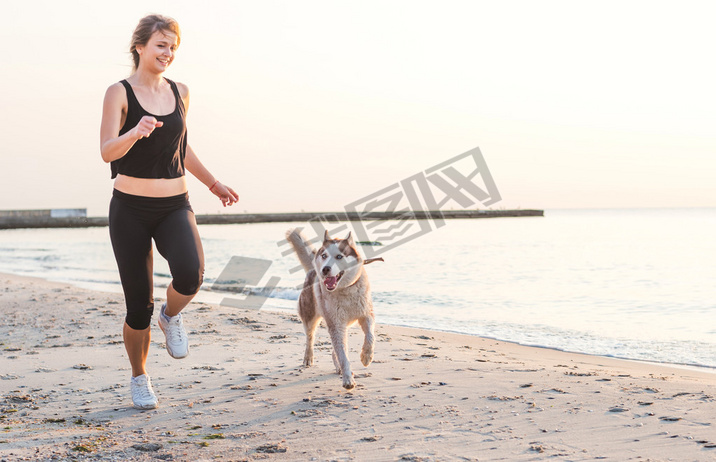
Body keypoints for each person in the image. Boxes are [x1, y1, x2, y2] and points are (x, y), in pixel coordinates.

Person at [100, 14, 239, 410]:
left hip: (175, 203)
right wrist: (134, 132)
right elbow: (107, 150)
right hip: (129, 208)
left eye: (173, 47)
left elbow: (182, 147)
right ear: (140, 46)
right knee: (137, 306)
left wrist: (213, 183)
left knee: (191, 274)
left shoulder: (181, 92)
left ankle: (171, 315)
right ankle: (140, 377)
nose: (168, 53)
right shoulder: (119, 92)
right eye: (161, 45)